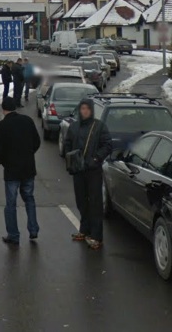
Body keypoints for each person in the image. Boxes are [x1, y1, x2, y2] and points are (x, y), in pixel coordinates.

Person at [61, 98, 112, 250]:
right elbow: (67, 143)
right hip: (78, 170)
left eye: (87, 109)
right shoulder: (74, 126)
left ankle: (96, 236)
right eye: (82, 108)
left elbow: (107, 145)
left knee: (95, 203)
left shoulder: (99, 126)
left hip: (93, 170)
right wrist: (70, 160)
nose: (85, 111)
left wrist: (96, 158)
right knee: (81, 201)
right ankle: (84, 230)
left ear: (91, 110)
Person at [0, 96, 41, 244]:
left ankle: (13, 235)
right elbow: (36, 142)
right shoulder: (27, 121)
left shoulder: (2, 126)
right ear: (14, 107)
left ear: (3, 109)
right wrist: (29, 154)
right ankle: (33, 230)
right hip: (28, 168)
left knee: (11, 204)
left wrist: (3, 161)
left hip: (12, 171)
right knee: (29, 199)